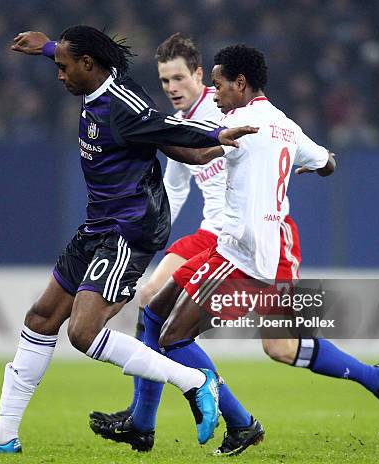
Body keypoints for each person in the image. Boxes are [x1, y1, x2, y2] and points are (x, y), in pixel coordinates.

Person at [0, 26, 259, 455]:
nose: (60, 75)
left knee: (83, 331)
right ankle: (3, 436)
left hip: (129, 229)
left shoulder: (123, 107)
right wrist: (48, 48)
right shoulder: (92, 78)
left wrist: (213, 137)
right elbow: (76, 56)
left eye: (63, 67)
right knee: (41, 319)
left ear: (88, 66)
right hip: (98, 224)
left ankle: (194, 381)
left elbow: (167, 127)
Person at [91, 44, 379, 457]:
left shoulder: (240, 123)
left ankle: (239, 422)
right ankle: (377, 380)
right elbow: (327, 163)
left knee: (178, 337)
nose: (215, 91)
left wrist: (141, 134)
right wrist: (316, 163)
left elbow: (200, 152)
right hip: (243, 243)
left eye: (219, 85)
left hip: (250, 253)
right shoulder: (284, 123)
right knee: (163, 311)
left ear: (240, 84)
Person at [89, 33, 260, 455]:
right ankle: (143, 421)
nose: (171, 88)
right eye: (165, 81)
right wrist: (148, 240)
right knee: (152, 309)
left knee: (154, 307)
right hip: (205, 233)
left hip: (228, 238)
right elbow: (175, 189)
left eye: (179, 78)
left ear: (200, 75)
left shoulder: (218, 114)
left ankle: (150, 420)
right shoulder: (181, 124)